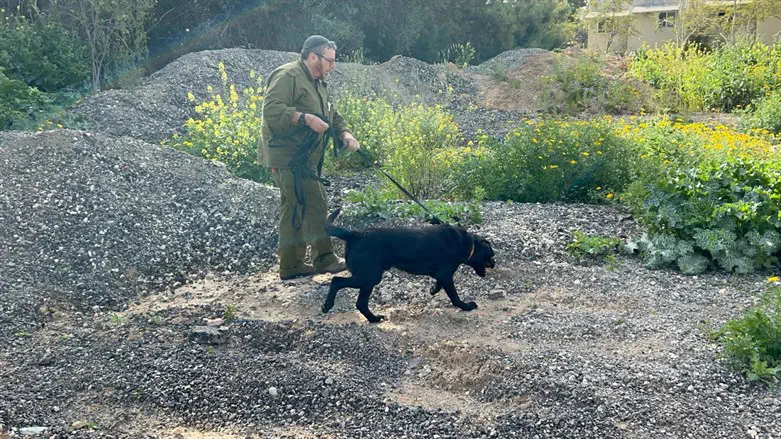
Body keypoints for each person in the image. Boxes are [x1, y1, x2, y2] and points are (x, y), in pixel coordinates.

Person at [259, 35, 361, 280]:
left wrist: (344, 133)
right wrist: (304, 118)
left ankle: (291, 265)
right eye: (330, 60)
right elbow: (271, 110)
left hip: (305, 158)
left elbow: (331, 114)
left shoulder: (317, 82)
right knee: (314, 203)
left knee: (294, 206)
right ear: (313, 57)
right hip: (289, 157)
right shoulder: (288, 76)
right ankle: (324, 258)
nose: (333, 66)